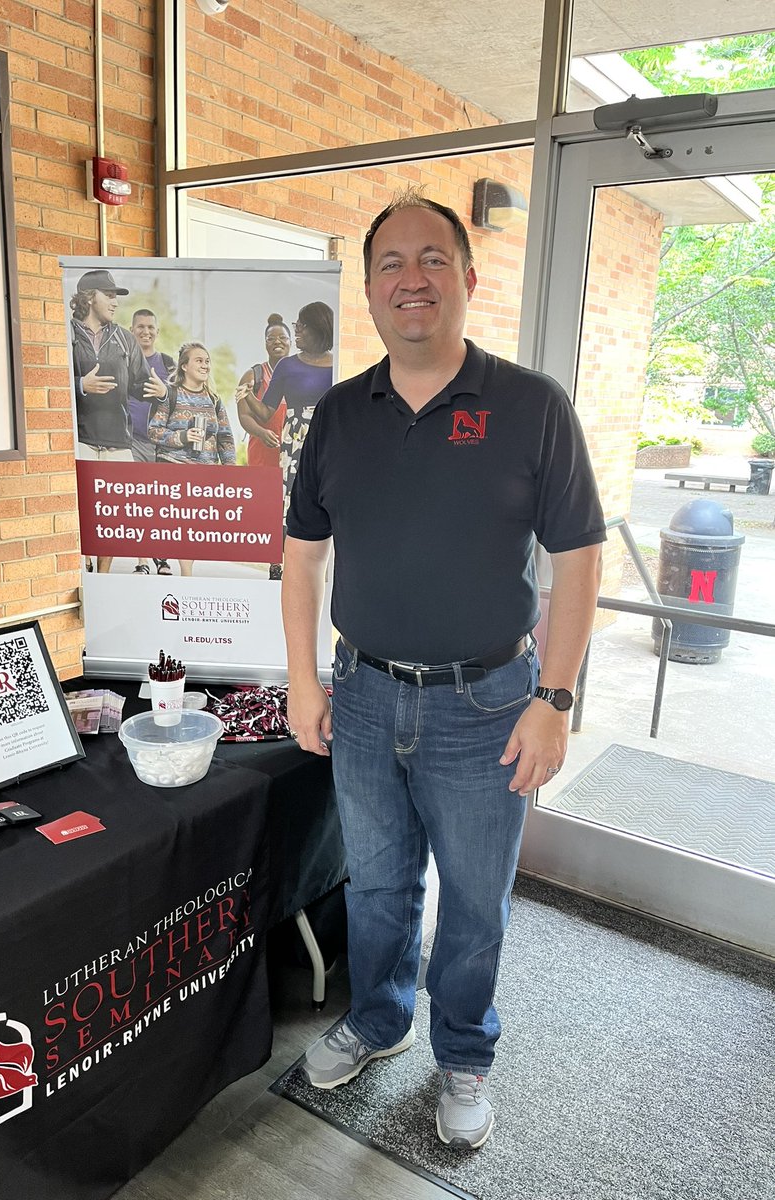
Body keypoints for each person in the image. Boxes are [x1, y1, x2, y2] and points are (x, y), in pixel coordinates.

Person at [282, 191, 605, 1152]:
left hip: (489, 703)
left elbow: (579, 561)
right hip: (363, 694)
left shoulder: (532, 407)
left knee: (473, 901)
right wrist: (304, 680)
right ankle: (380, 1017)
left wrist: (555, 699)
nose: (411, 279)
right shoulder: (339, 415)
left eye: (432, 259)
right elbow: (301, 559)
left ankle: (463, 1052)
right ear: (369, 290)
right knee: (377, 886)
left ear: (467, 277)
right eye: (390, 263)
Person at [70, 269, 167, 573]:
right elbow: (48, 383)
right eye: (109, 296)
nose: (115, 302)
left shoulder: (125, 339)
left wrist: (161, 392)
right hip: (81, 441)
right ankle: (83, 569)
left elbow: (141, 385)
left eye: (116, 297)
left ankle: (103, 575)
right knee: (83, 513)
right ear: (89, 297)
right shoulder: (66, 335)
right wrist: (80, 385)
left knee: (112, 515)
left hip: (117, 443)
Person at [241, 301, 333, 580]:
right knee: (291, 501)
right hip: (294, 442)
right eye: (297, 325)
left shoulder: (338, 363)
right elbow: (265, 412)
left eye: (301, 326)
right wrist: (246, 395)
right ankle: (283, 565)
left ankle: (321, 568)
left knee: (326, 499)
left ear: (319, 328)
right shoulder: (287, 366)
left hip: (328, 437)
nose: (298, 331)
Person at [149, 342, 236, 578]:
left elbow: (225, 437)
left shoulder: (214, 400)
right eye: (199, 360)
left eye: (207, 361)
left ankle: (183, 571)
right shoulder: (171, 395)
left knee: (193, 527)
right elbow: (154, 431)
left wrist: (231, 470)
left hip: (204, 472)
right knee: (179, 523)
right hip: (173, 467)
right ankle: (183, 573)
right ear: (184, 366)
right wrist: (183, 437)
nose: (205, 365)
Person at [128, 308, 175, 576]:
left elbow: (179, 397)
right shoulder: (125, 360)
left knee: (161, 503)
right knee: (140, 500)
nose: (145, 331)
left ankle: (162, 556)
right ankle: (142, 561)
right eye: (140, 327)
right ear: (132, 330)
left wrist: (165, 390)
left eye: (150, 327)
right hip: (132, 441)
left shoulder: (167, 363)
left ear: (157, 331)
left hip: (162, 444)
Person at [234, 313, 291, 470]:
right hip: (262, 457)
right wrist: (261, 433)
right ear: (265, 344)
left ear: (290, 342)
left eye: (283, 337)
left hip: (292, 457)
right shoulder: (253, 375)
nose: (277, 341)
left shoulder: (300, 376)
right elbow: (244, 416)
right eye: (271, 339)